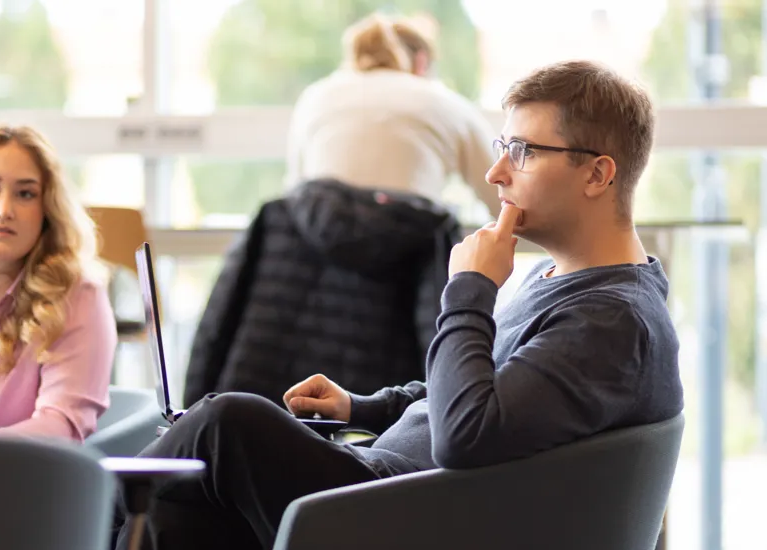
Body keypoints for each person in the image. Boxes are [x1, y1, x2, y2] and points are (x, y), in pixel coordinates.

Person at [113, 60, 685, 550]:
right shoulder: (567, 282)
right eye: (501, 147)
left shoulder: (611, 319)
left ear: (598, 174)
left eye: (524, 151)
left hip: (407, 512)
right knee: (186, 499)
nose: (496, 173)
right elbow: (483, 394)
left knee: (221, 423)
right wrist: (362, 408)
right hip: (393, 489)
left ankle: (77, 511)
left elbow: (467, 433)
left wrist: (468, 291)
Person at [0, 125, 116, 442]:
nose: (3, 211)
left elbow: (62, 425)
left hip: (26, 482)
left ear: (46, 210)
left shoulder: (79, 295)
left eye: (25, 194)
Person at [284, 13, 501, 219]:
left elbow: (295, 192)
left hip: (317, 247)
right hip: (412, 247)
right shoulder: (445, 101)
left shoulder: (315, 97)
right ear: (422, 62)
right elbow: (500, 195)